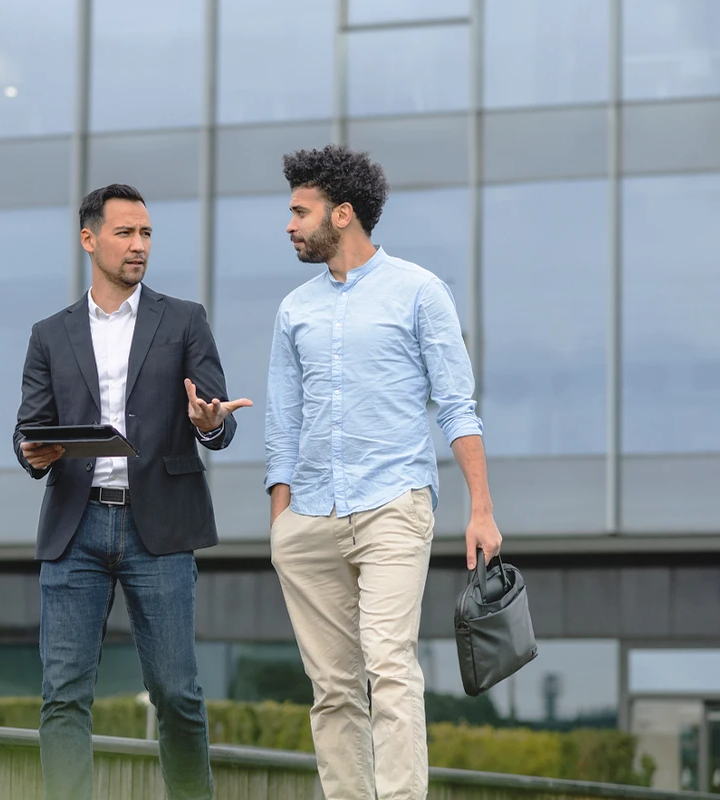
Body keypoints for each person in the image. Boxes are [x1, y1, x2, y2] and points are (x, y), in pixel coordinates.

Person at [263, 145, 504, 800]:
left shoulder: (420, 292)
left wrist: (480, 508)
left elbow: (457, 406)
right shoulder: (294, 311)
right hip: (308, 519)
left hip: (392, 505)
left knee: (391, 668)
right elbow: (282, 424)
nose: (288, 224)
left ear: (342, 215)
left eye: (299, 211)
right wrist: (280, 523)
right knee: (333, 691)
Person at [14, 184, 251, 800]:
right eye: (125, 233)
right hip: (77, 527)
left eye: (146, 234)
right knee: (64, 695)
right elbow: (29, 428)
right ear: (90, 240)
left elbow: (218, 418)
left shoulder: (184, 320)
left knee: (178, 692)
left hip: (162, 527)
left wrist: (211, 422)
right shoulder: (48, 334)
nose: (138, 245)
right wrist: (29, 450)